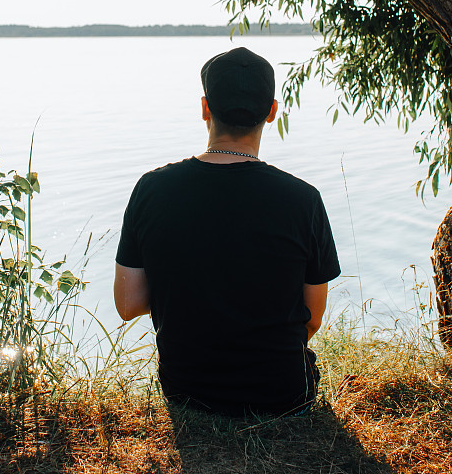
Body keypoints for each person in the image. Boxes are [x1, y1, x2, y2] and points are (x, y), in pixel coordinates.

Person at [114, 47, 340, 417]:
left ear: (205, 108)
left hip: (187, 393)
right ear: (272, 111)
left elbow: (128, 305)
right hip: (284, 395)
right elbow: (312, 318)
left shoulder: (152, 190)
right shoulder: (303, 200)